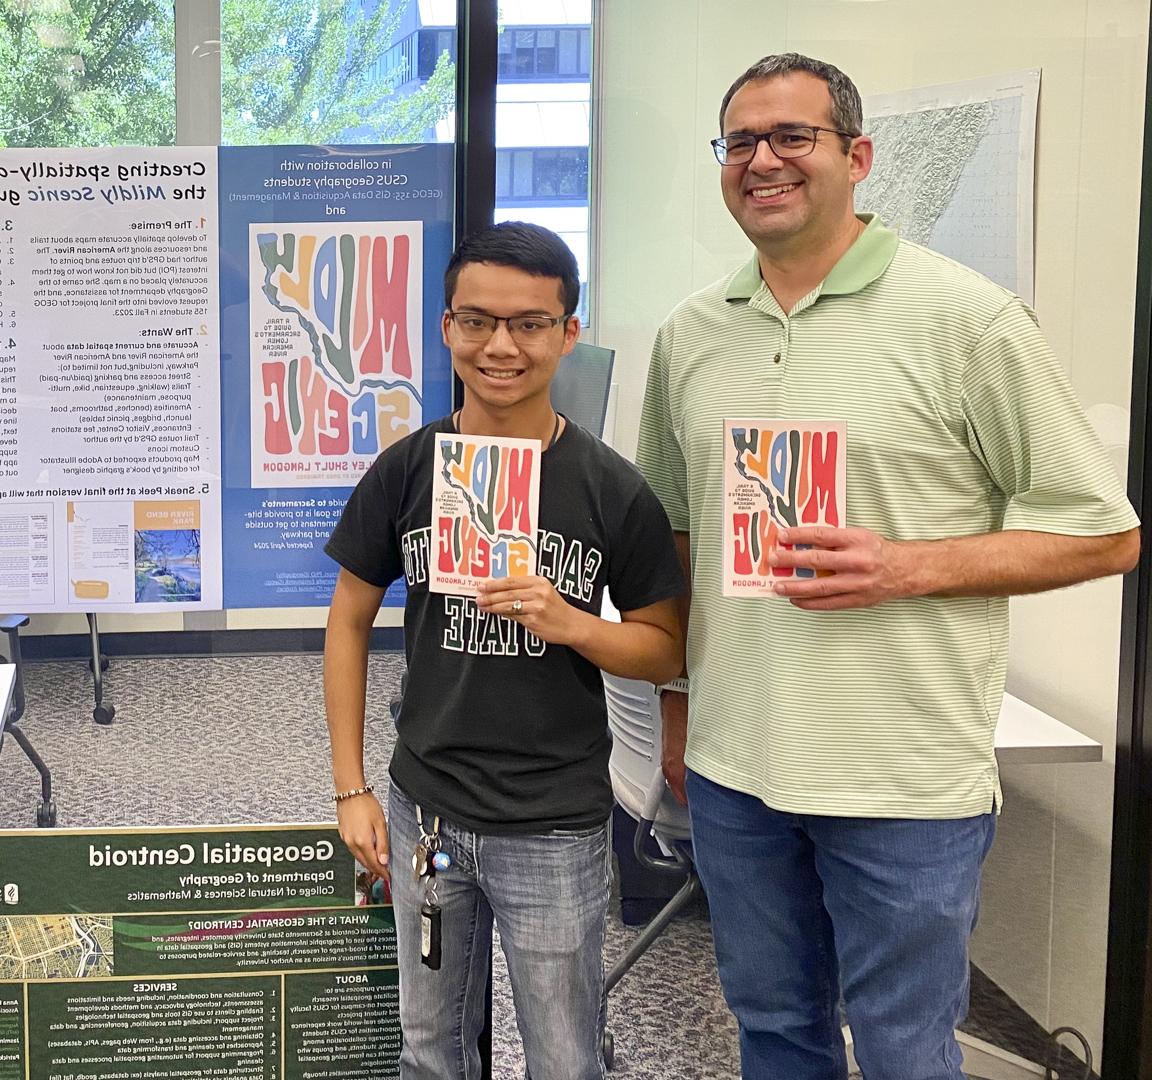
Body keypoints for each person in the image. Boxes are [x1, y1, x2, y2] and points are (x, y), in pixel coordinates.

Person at [635, 53, 1141, 1080]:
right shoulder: (691, 334)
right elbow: (679, 538)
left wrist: (905, 567)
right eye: (740, 142)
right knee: (774, 1027)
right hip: (737, 773)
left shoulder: (969, 319)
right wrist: (679, 711)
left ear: (858, 157)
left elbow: (1105, 531)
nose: (763, 160)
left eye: (793, 137)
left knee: (906, 1047)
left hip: (902, 780)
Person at [324, 222, 686, 1079]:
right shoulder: (409, 470)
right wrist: (351, 787)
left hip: (553, 826)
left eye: (529, 323)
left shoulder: (610, 488)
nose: (500, 346)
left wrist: (574, 625)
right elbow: (347, 621)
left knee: (563, 1058)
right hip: (429, 813)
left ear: (569, 332)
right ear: (446, 328)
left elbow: (665, 648)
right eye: (477, 321)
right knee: (428, 1047)